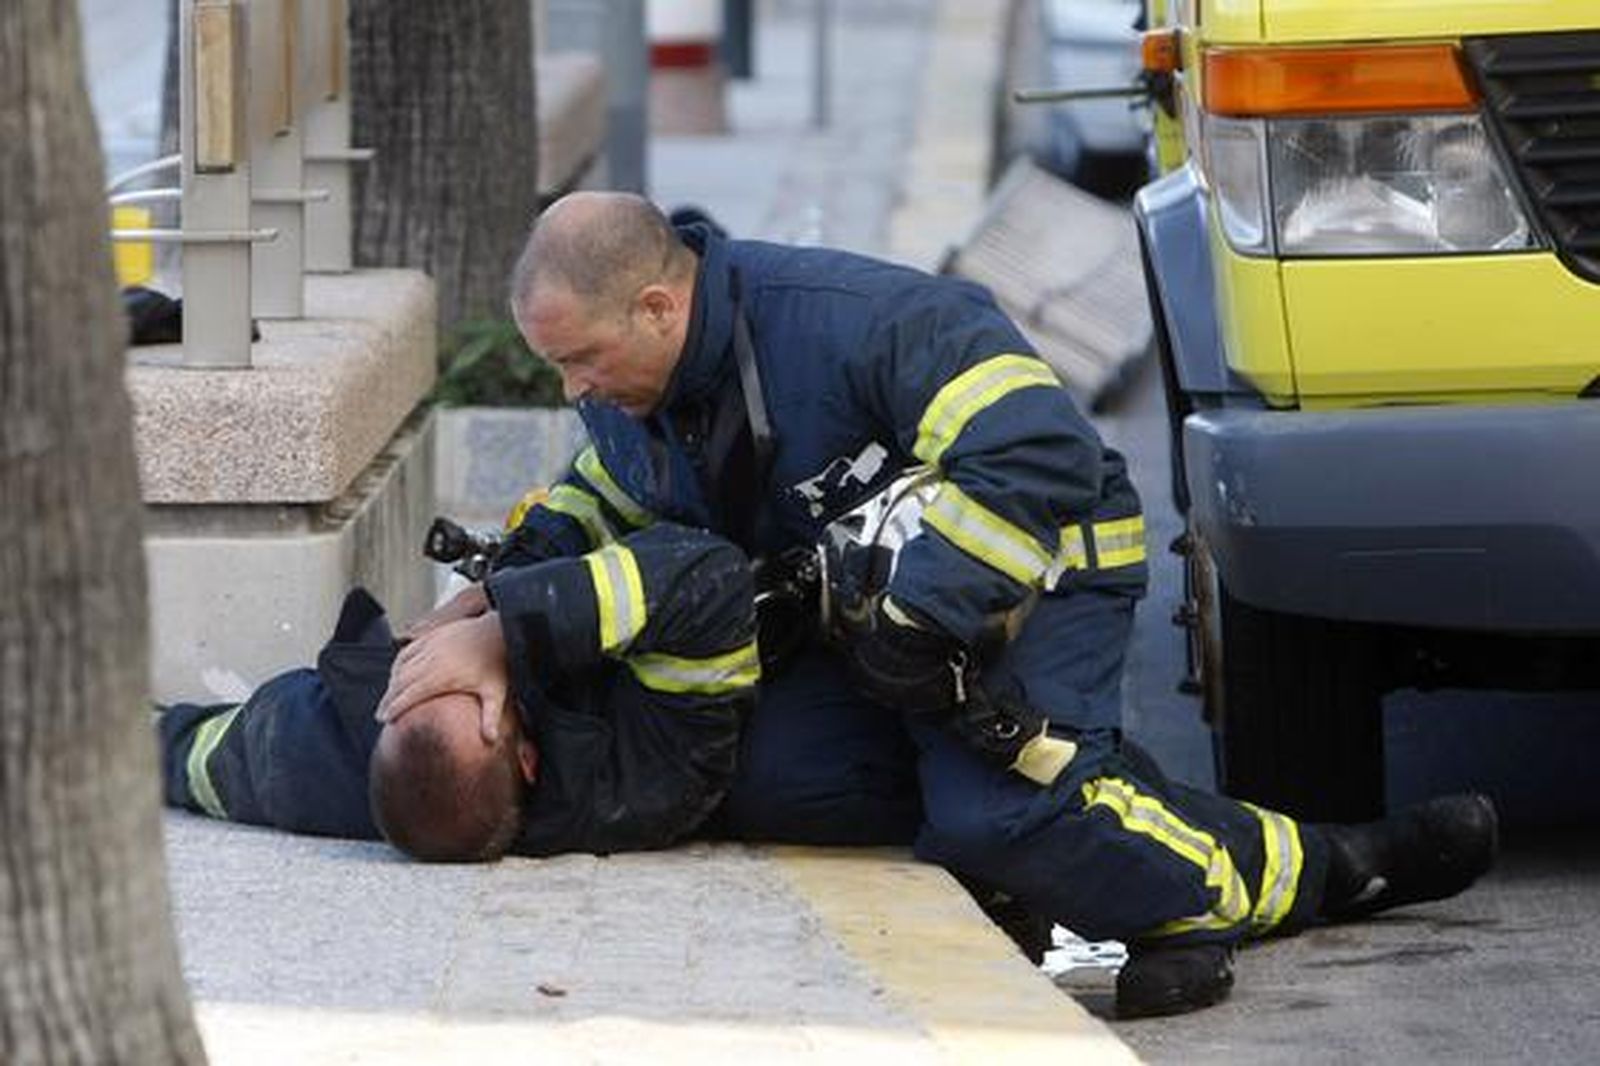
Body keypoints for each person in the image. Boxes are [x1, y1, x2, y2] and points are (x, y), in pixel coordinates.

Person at [379, 190, 1498, 1018]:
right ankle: (1059, 845)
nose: (571, 392)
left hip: (1039, 575)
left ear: (658, 306)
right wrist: (498, 601)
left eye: (577, 362)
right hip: (881, 631)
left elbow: (1040, 455)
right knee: (781, 780)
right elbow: (603, 494)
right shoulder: (639, 385)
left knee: (994, 811)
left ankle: (1300, 874)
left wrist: (919, 619)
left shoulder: (856, 323)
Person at [159, 523, 759, 861]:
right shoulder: (645, 779)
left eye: (418, 674)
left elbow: (202, 757)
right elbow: (713, 578)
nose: (441, 660)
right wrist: (506, 629)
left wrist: (499, 588)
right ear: (526, 757)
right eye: (458, 682)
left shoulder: (309, 758)